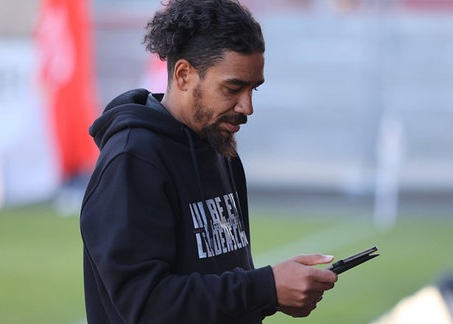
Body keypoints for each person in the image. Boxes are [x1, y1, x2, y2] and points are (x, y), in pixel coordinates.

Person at [80, 0, 338, 323]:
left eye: (253, 89)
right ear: (184, 75)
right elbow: (146, 306)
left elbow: (222, 284)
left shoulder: (220, 147)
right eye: (233, 88)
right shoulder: (132, 161)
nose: (247, 106)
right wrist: (265, 288)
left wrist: (274, 292)